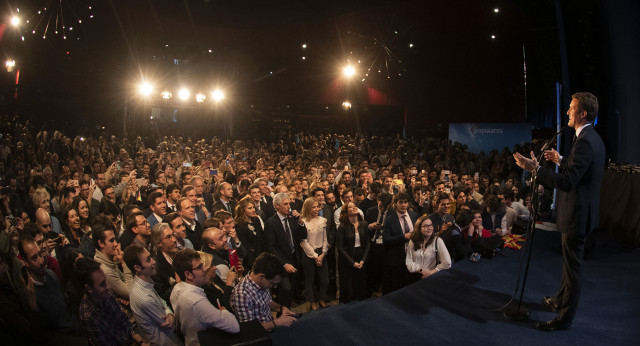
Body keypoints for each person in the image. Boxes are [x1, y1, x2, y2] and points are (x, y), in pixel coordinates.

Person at [514, 92, 605, 331]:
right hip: (581, 213)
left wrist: (536, 169)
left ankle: (563, 319)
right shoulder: (591, 137)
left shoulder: (584, 140)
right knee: (568, 265)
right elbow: (581, 169)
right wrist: (561, 159)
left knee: (572, 269)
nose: (567, 112)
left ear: (582, 113)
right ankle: (560, 300)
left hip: (577, 215)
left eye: (571, 108)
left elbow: (568, 182)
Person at [170, 249, 240, 345]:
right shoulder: (197, 302)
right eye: (199, 267)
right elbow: (234, 326)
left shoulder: (177, 288)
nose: (204, 269)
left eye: (202, 264)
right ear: (188, 274)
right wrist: (223, 311)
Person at [75, 257, 149, 346]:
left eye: (105, 280)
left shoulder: (107, 293)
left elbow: (123, 321)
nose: (108, 286)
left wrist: (141, 342)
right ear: (89, 288)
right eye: (102, 284)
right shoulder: (88, 316)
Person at [123, 244, 183, 345]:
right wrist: (171, 316)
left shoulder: (144, 282)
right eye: (148, 260)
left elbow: (162, 303)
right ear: (137, 268)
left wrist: (170, 314)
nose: (154, 261)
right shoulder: (144, 298)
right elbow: (168, 325)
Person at [230, 252, 297, 331]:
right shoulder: (242, 295)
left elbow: (267, 302)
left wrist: (281, 308)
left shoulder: (262, 283)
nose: (274, 287)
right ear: (261, 276)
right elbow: (249, 329)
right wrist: (276, 323)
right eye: (272, 283)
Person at [264, 192, 307, 308]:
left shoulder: (292, 219)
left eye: (289, 203)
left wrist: (300, 221)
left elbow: (303, 236)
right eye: (285, 204)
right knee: (285, 289)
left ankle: (287, 313)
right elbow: (270, 247)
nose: (289, 206)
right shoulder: (271, 223)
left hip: (294, 258)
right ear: (277, 206)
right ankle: (282, 315)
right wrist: (284, 264)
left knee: (292, 288)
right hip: (281, 263)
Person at [382, 192, 418, 293]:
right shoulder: (390, 219)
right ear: (396, 204)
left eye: (405, 202)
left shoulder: (414, 216)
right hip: (396, 258)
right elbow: (386, 240)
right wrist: (403, 237)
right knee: (396, 286)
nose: (403, 205)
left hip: (412, 256)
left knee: (410, 285)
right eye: (400, 202)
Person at [337, 202, 371, 303]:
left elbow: (368, 244)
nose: (354, 208)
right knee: (347, 289)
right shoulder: (342, 227)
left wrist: (363, 260)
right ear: (346, 212)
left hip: (361, 256)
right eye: (350, 207)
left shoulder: (364, 224)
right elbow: (340, 248)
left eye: (355, 206)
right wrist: (352, 263)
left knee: (360, 286)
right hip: (347, 259)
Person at [299, 197, 329, 310]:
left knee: (325, 281)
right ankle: (312, 302)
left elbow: (325, 238)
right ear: (308, 208)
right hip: (308, 254)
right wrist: (316, 256)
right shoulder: (303, 222)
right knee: (310, 280)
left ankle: (321, 299)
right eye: (314, 207)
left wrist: (323, 253)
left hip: (321, 252)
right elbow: (303, 242)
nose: (317, 209)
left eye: (318, 206)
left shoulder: (322, 220)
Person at [405, 216, 451, 282]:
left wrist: (431, 272)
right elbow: (409, 261)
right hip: (414, 276)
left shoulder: (438, 241)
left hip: (431, 276)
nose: (429, 228)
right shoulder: (413, 240)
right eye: (425, 226)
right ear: (418, 228)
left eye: (431, 225)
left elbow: (447, 262)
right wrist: (421, 270)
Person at [234, 195, 264, 270]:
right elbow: (244, 245)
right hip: (249, 260)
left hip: (260, 254)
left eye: (253, 207)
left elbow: (262, 237)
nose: (253, 210)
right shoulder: (239, 225)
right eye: (250, 208)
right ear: (243, 209)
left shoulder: (256, 220)